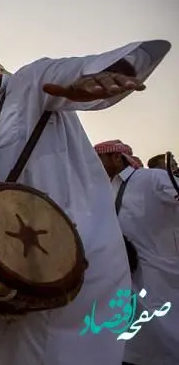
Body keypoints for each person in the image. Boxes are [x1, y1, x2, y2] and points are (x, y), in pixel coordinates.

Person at [0, 40, 171, 365]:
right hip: (7, 263)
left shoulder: (27, 84)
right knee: (6, 351)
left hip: (73, 249)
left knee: (60, 351)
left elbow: (73, 76)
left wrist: (105, 77)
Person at [94, 140, 179, 365]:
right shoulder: (106, 188)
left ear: (116, 157)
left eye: (99, 158)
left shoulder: (150, 178)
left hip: (158, 269)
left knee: (165, 327)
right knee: (133, 334)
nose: (96, 164)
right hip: (125, 271)